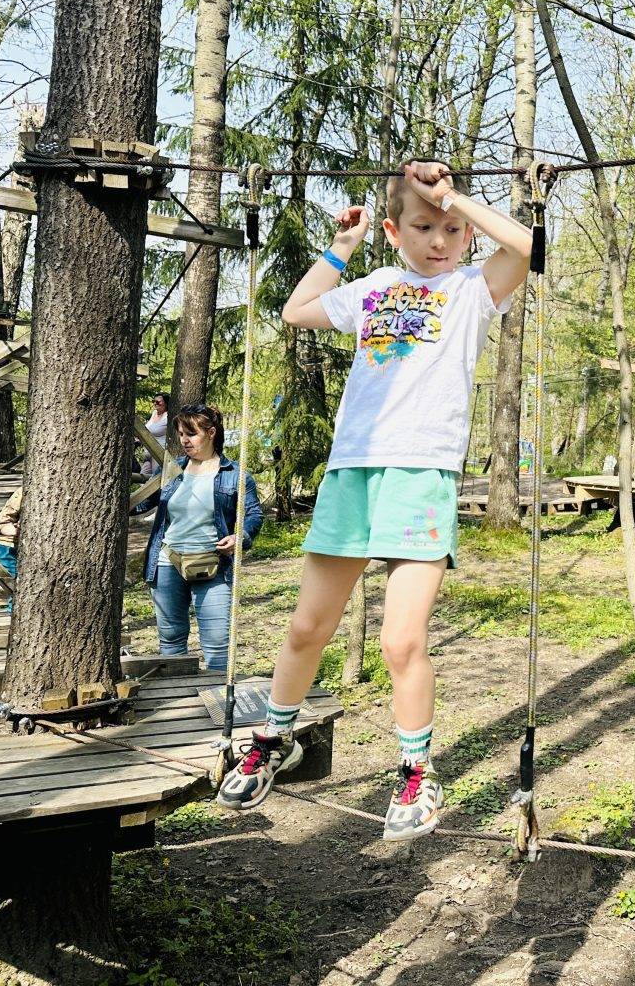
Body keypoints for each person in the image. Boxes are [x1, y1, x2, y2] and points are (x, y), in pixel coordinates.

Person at [215, 161, 530, 841]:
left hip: (422, 478)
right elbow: (297, 311)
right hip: (352, 473)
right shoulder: (375, 287)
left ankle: (417, 771)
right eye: (423, 226)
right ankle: (274, 737)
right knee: (305, 629)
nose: (440, 240)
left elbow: (525, 247)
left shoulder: (473, 289)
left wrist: (457, 199)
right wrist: (343, 248)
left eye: (452, 228)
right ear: (395, 231)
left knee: (400, 639)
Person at [143, 403, 263, 671]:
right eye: (181, 434)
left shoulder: (236, 476)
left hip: (213, 563)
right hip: (167, 562)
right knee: (171, 642)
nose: (184, 440)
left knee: (218, 643)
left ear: (211, 433)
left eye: (191, 433)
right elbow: (141, 504)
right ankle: (177, 700)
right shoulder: (171, 471)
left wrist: (239, 537)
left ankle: (217, 703)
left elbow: (254, 515)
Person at [0, 488, 21, 594]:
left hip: (24, 549)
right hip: (6, 546)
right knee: (17, 587)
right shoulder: (23, 492)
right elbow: (2, 525)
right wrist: (17, 531)